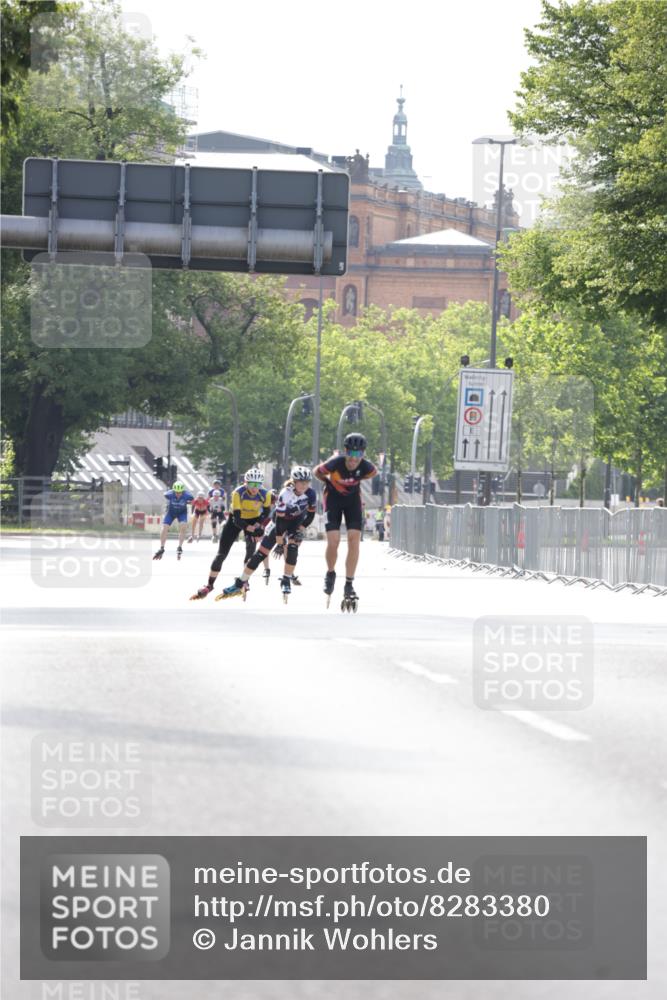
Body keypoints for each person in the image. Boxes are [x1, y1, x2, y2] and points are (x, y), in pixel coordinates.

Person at [220, 467, 316, 599]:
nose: (305, 485)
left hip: (296, 524)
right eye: (301, 482)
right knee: (260, 554)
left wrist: (301, 528)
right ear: (294, 481)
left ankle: (286, 579)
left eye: (307, 482)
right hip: (278, 524)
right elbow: (281, 520)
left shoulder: (311, 493)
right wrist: (280, 542)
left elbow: (311, 515)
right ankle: (240, 582)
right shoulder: (285, 494)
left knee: (293, 548)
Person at [189, 468, 272, 600]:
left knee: (250, 551)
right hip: (236, 520)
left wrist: (260, 525)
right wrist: (252, 529)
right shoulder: (237, 493)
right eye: (251, 484)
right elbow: (238, 519)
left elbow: (266, 512)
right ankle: (209, 585)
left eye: (257, 485)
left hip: (254, 519)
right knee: (221, 554)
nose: (255, 488)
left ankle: (244, 580)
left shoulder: (265, 494)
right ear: (245, 482)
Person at [314, 432, 378, 602]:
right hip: (333, 502)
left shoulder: (366, 467)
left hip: (352, 503)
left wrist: (355, 480)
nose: (353, 458)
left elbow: (373, 473)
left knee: (353, 540)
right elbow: (316, 471)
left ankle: (349, 583)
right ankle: (330, 572)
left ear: (362, 454)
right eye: (350, 453)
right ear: (345, 451)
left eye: (358, 454)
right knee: (334, 541)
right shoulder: (335, 463)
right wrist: (328, 482)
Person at [153, 482, 194, 560]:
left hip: (182, 513)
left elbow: (192, 500)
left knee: (183, 526)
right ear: (173, 491)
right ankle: (161, 548)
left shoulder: (187, 495)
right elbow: (165, 494)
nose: (178, 494)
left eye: (180, 493)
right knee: (164, 527)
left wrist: (188, 502)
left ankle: (180, 547)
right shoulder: (169, 494)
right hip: (171, 513)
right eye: (176, 492)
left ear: (183, 491)